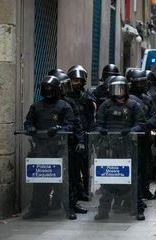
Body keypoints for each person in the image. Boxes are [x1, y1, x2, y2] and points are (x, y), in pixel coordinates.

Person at [93, 75, 147, 221]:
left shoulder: (134, 105)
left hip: (128, 147)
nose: (118, 92)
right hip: (109, 147)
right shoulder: (105, 105)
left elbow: (141, 124)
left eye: (121, 88)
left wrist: (130, 131)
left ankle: (138, 209)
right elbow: (98, 123)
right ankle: (103, 210)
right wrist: (101, 130)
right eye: (115, 88)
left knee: (134, 179)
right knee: (107, 179)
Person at [23, 75, 75, 219]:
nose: (48, 92)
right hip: (40, 148)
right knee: (39, 179)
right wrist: (31, 128)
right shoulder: (36, 106)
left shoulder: (64, 106)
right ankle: (38, 208)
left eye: (50, 89)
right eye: (45, 89)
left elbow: (70, 125)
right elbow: (28, 122)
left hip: (58, 148)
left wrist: (58, 128)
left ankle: (68, 208)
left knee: (63, 181)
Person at [48, 70, 88, 218]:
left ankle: (71, 205)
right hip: (48, 146)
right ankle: (50, 203)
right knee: (50, 175)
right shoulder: (41, 104)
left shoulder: (68, 103)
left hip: (68, 146)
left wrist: (81, 142)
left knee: (71, 177)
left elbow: (76, 124)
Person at [126, 69, 156, 200]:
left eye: (144, 82)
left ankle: (144, 190)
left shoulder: (147, 99)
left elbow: (155, 116)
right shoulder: (126, 98)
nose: (143, 85)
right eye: (139, 83)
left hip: (144, 138)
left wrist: (144, 126)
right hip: (130, 138)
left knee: (145, 166)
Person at [67, 65, 97, 201]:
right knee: (72, 167)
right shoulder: (65, 96)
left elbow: (91, 117)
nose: (77, 83)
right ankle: (73, 191)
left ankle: (85, 191)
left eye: (79, 80)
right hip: (69, 136)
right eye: (74, 80)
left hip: (84, 136)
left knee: (85, 166)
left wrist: (89, 136)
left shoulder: (87, 97)